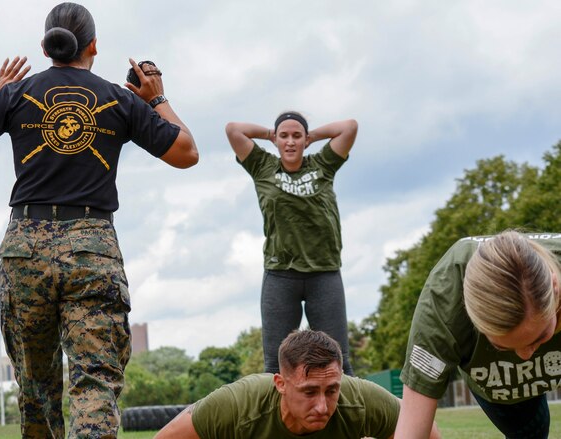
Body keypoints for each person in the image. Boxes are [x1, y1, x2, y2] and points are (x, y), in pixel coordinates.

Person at [0, 3, 198, 437]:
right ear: (93, 45)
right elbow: (187, 153)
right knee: (94, 380)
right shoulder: (120, 98)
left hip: (25, 249)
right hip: (92, 248)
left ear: (46, 47)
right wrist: (157, 98)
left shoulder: (16, 94)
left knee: (36, 389)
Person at [225, 113, 358, 375]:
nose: (290, 142)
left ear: (305, 140)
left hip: (324, 273)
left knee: (339, 361)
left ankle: (349, 415)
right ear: (276, 139)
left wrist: (311, 138)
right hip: (281, 275)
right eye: (284, 136)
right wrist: (269, 135)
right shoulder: (263, 166)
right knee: (275, 365)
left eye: (296, 136)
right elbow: (233, 129)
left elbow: (349, 127)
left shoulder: (322, 164)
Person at [397, 231, 561, 439]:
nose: (525, 356)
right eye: (502, 346)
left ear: (555, 288)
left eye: (540, 337)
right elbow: (411, 434)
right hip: (500, 384)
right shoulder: (443, 306)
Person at [156, 330, 441, 439]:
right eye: (309, 391)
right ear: (280, 383)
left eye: (331, 390)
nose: (322, 405)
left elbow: (425, 431)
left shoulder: (358, 401)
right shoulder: (239, 405)